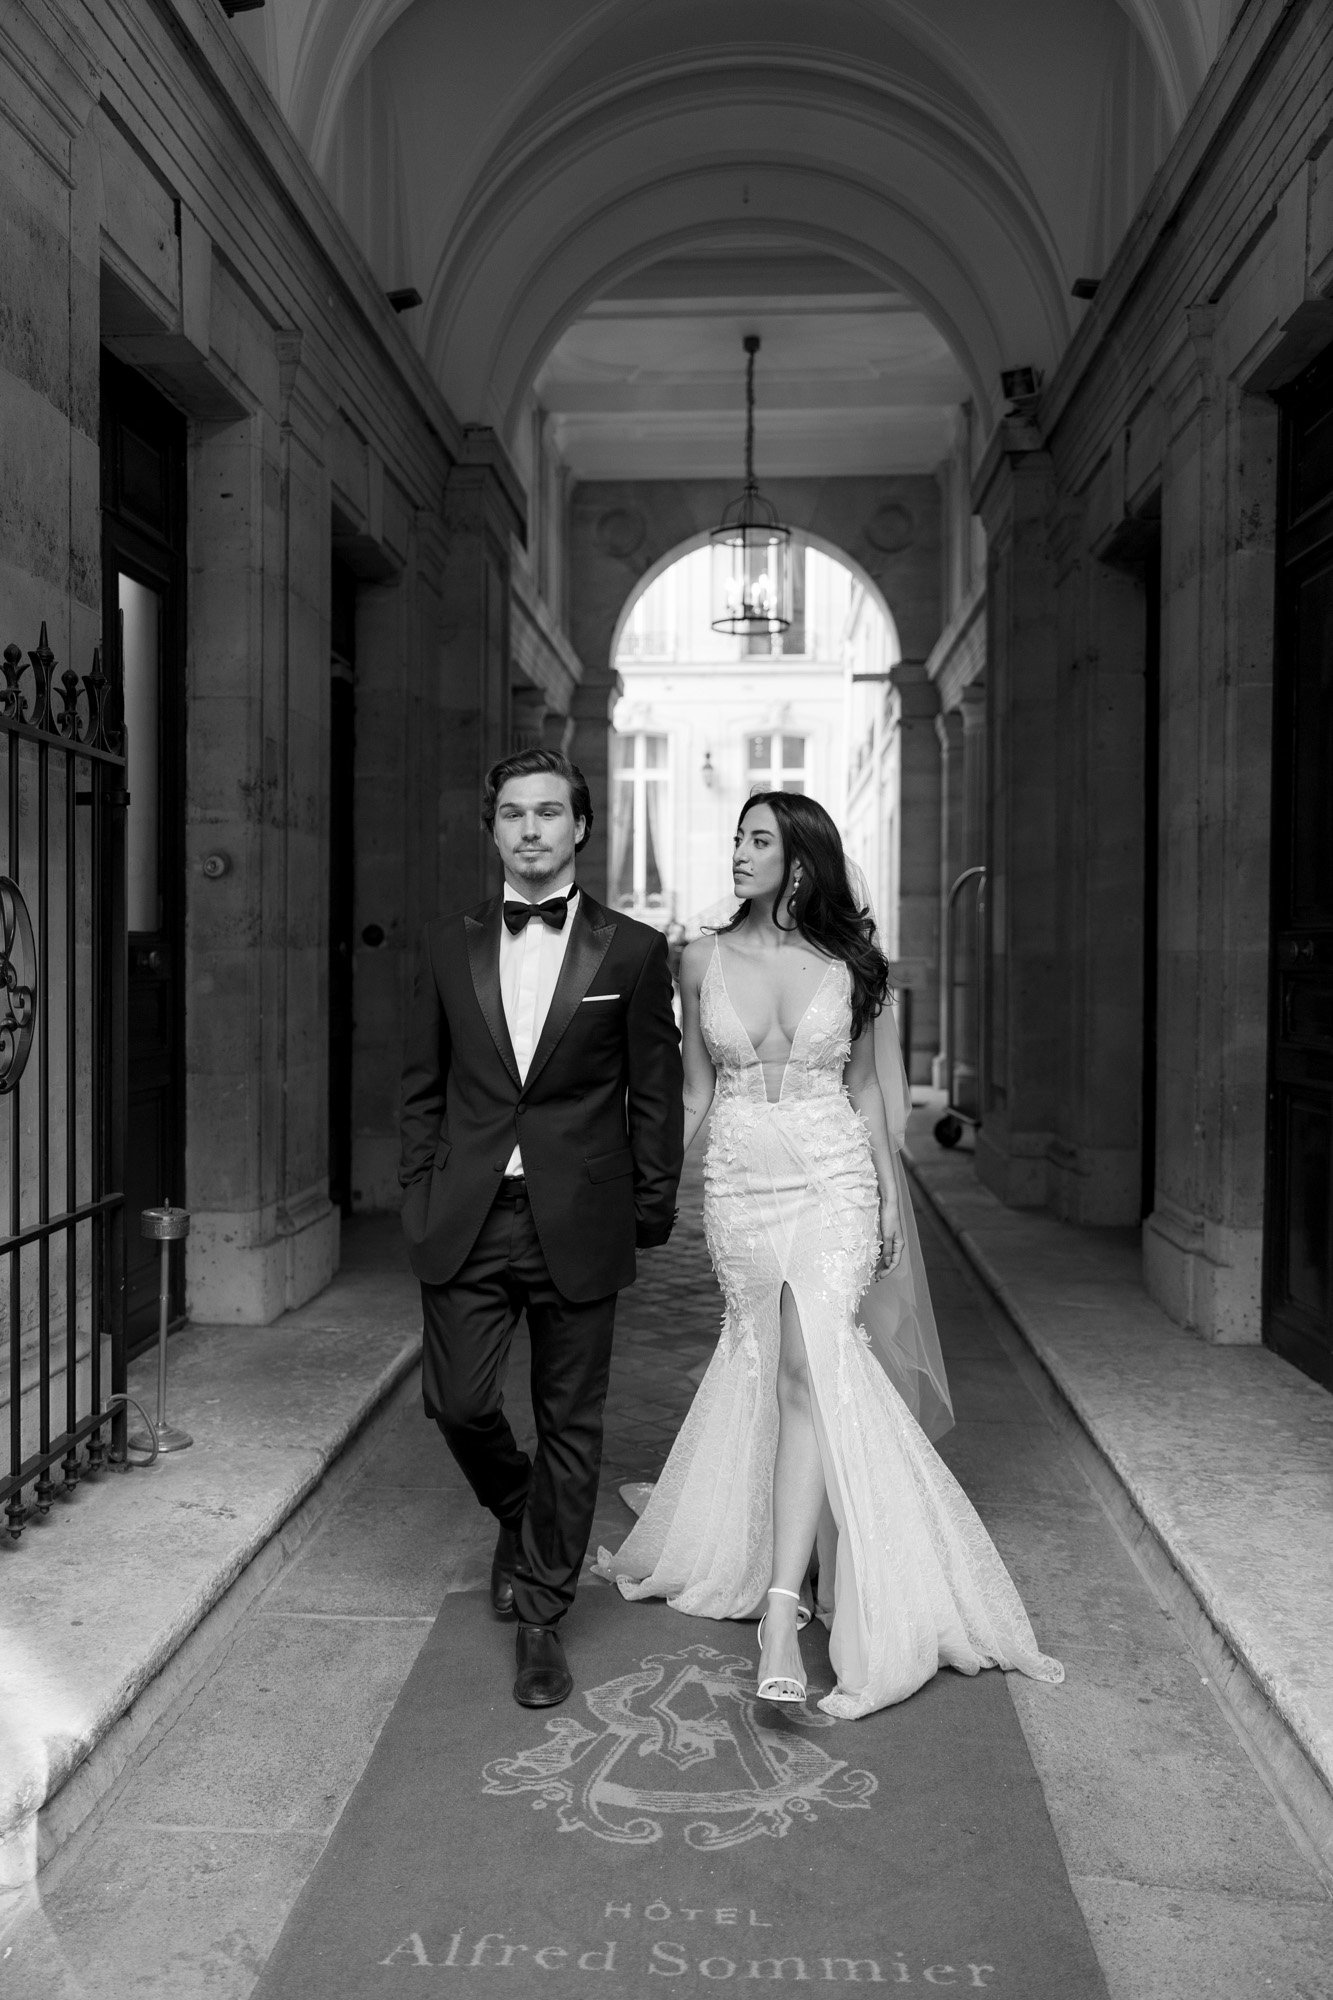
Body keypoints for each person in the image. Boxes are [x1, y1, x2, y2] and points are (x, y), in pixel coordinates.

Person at [597, 791, 1062, 1719]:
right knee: (766, 1364)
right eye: (735, 836)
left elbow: (871, 1101)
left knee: (813, 1368)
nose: (736, 851)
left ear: (800, 863)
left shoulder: (855, 968)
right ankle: (782, 1558)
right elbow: (694, 1093)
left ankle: (780, 1618)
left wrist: (889, 1203)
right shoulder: (696, 959)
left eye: (757, 840)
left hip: (832, 1184)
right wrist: (634, 1187)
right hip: (738, 1186)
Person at [398, 748, 684, 1710]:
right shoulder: (447, 944)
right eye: (513, 814)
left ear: (580, 827)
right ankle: (522, 1520)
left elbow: (655, 1095)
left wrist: (649, 1209)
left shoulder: (634, 951)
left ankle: (542, 1614)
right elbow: (420, 1087)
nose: (530, 830)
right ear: (493, 829)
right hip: (468, 1214)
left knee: (572, 1422)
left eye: (549, 813)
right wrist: (418, 1193)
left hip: (579, 1215)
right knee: (459, 1403)